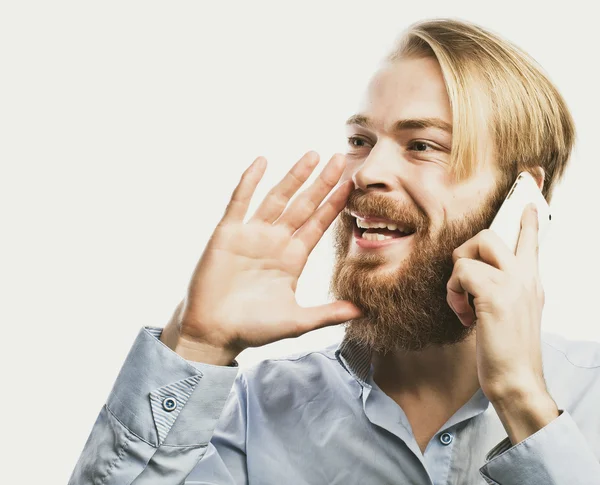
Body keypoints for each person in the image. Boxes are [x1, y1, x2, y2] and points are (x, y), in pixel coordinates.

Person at [69, 18, 600, 485]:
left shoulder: (590, 395)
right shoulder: (261, 411)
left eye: (422, 145)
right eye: (360, 140)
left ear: (521, 196)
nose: (365, 173)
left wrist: (523, 400)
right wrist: (198, 347)